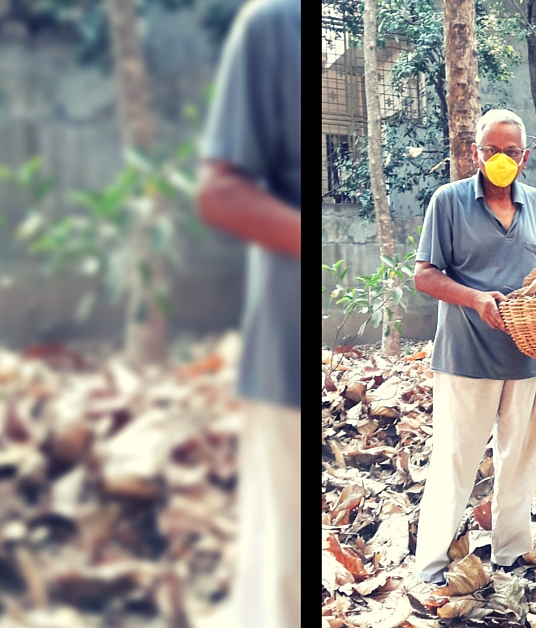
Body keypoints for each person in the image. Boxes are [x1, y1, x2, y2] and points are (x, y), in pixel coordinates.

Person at [412, 108, 536, 584]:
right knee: (456, 458)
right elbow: (425, 275)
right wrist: (475, 299)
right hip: (466, 354)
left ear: (525, 157)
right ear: (476, 152)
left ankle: (511, 553)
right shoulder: (448, 202)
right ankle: (433, 563)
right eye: (491, 150)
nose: (500, 159)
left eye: (510, 152)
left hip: (527, 355)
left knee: (520, 460)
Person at [193, 0, 300, 625]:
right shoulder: (274, 25)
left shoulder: (531, 205)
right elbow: (220, 191)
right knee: (278, 580)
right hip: (282, 351)